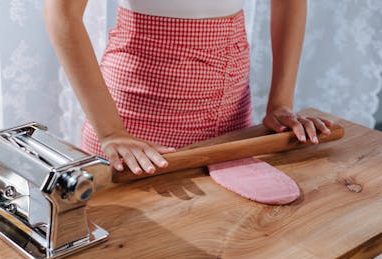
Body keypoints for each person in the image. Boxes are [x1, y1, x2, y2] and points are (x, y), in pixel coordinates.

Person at [44, 0, 332, 175]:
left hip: (231, 121)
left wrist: (280, 103)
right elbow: (62, 14)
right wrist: (111, 132)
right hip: (133, 128)